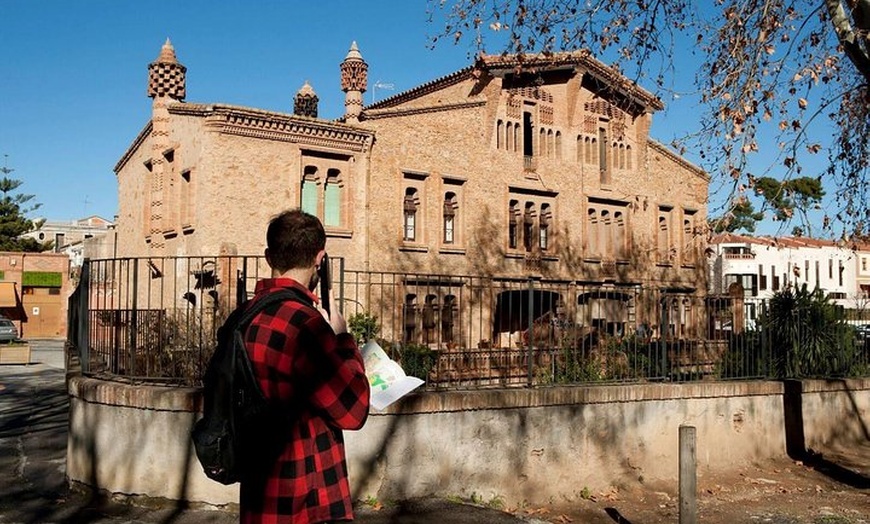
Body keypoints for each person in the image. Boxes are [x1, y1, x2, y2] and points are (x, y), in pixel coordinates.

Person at [240, 209, 370, 524]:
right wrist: (343, 339)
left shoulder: (243, 318)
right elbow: (354, 411)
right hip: (308, 501)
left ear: (269, 256)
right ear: (320, 258)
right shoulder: (307, 327)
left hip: (259, 494)